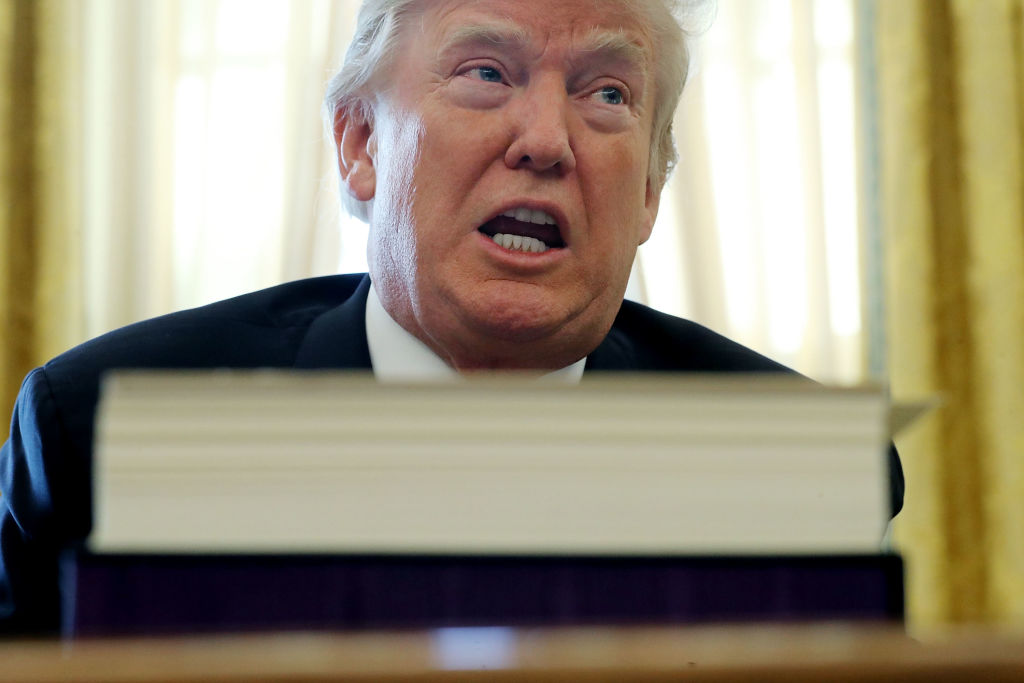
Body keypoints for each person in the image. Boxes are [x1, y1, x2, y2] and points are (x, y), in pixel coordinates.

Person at [0, 0, 903, 634]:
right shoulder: (98, 430)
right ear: (361, 147)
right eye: (485, 72)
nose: (546, 140)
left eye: (608, 95)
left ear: (650, 198)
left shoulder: (795, 473)